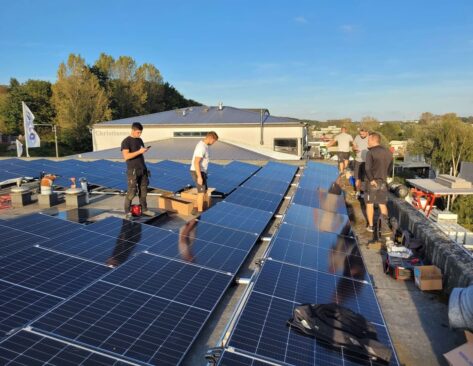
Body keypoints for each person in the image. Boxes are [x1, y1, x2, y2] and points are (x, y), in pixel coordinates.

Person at [121, 122, 153, 219]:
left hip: (142, 169)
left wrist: (143, 151)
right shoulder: (126, 141)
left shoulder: (140, 140)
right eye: (138, 132)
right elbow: (126, 156)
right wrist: (139, 151)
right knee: (132, 191)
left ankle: (144, 209)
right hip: (133, 170)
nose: (139, 134)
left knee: (143, 190)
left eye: (140, 133)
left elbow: (139, 153)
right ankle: (127, 212)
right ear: (133, 130)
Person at [364, 132, 393, 234]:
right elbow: (390, 168)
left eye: (369, 140)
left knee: (370, 204)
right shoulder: (388, 152)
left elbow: (367, 168)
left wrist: (371, 180)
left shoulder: (370, 152)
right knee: (382, 204)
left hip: (372, 183)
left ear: (373, 140)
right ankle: (385, 226)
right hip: (383, 182)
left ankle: (371, 226)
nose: (368, 142)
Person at [190, 131, 218, 212]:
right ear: (210, 138)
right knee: (201, 193)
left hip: (201, 171)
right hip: (197, 171)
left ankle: (195, 207)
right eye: (214, 141)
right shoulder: (201, 147)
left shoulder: (204, 145)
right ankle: (200, 212)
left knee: (203, 191)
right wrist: (199, 177)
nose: (213, 143)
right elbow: (196, 162)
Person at [352, 127, 369, 198]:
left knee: (365, 178)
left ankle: (364, 192)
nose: (361, 135)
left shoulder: (370, 138)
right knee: (357, 177)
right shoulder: (357, 137)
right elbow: (353, 147)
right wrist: (354, 149)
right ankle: (358, 192)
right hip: (358, 160)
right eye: (360, 134)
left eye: (363, 134)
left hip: (367, 161)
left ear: (367, 132)